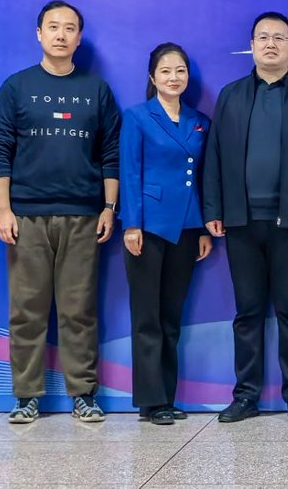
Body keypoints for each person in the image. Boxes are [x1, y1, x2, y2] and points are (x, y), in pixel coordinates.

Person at [0, 0, 121, 424]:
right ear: (39, 34)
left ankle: (84, 394)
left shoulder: (96, 90)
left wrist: (109, 207)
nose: (61, 35)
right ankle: (26, 395)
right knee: (26, 310)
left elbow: (111, 152)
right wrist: (4, 210)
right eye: (53, 27)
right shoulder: (17, 87)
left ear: (79, 38)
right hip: (26, 216)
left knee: (78, 310)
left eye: (70, 28)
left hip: (83, 216)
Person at [203, 11, 288, 424]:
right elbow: (214, 156)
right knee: (247, 312)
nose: (271, 44)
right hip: (241, 221)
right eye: (263, 37)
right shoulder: (231, 95)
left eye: (279, 38)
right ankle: (246, 396)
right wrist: (214, 209)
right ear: (252, 46)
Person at [119, 42, 213, 425]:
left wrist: (204, 227)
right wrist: (132, 224)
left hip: (187, 228)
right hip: (148, 227)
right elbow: (129, 171)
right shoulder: (137, 116)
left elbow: (203, 178)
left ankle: (166, 398)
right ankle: (150, 401)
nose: (174, 78)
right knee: (147, 317)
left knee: (172, 318)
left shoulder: (199, 120)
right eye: (166, 71)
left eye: (180, 71)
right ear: (152, 77)